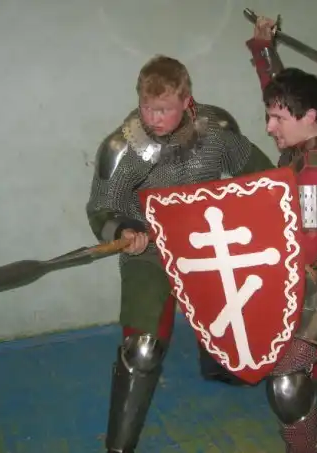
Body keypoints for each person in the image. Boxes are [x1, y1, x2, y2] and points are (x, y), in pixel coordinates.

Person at [85, 54, 274, 452]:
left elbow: (261, 178)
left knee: (233, 314)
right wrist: (123, 230)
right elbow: (100, 208)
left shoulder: (216, 131)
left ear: (187, 101)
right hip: (149, 250)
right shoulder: (120, 148)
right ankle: (119, 445)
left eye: (164, 109)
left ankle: (221, 364)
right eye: (146, 107)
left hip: (207, 245)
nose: (153, 118)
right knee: (142, 349)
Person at [245, 16, 317, 452]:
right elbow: (281, 89)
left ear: (307, 116)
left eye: (276, 119)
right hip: (308, 263)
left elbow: (305, 249)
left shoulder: (316, 172)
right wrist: (263, 48)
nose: (269, 127)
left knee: (286, 378)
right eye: (269, 115)